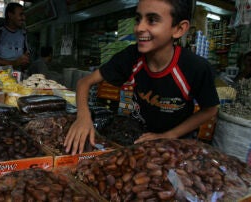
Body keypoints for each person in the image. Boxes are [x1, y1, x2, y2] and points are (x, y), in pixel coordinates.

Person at [64, 0, 219, 155]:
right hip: (140, 138)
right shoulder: (130, 57)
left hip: (176, 147)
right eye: (138, 19)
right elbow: (84, 82)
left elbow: (210, 109)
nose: (139, 28)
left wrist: (168, 136)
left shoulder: (195, 68)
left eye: (152, 20)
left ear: (179, 29)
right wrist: (83, 117)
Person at [0, 2, 30, 70]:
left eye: (24, 15)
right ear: (10, 15)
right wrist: (13, 63)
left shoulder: (23, 33)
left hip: (16, 76)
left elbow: (26, 55)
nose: (23, 18)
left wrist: (25, 61)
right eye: (21, 15)